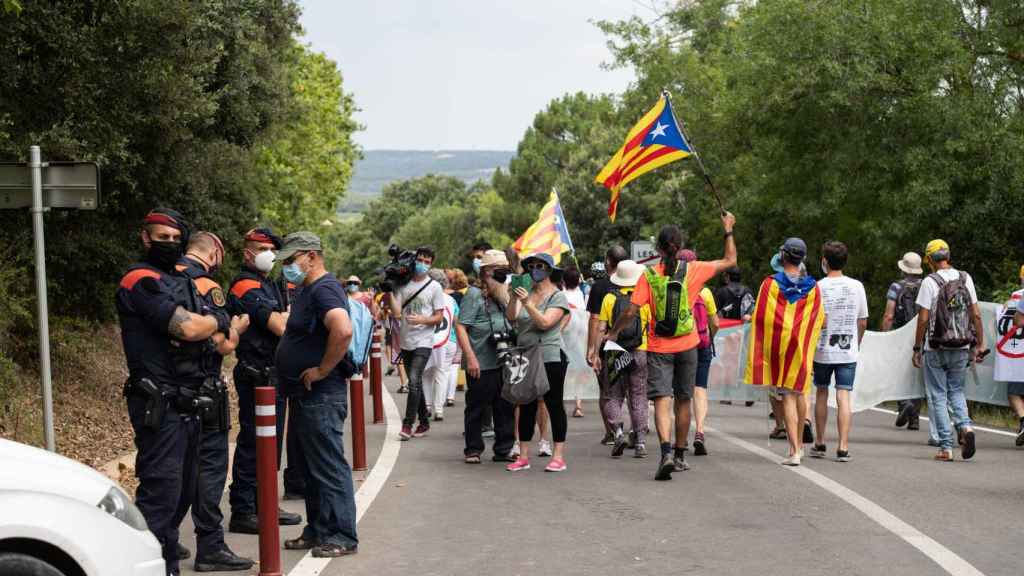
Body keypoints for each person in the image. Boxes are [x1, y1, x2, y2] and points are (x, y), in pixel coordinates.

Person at [117, 208, 241, 575]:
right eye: (161, 237)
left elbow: (219, 340)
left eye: (175, 239)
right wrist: (217, 320)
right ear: (145, 237)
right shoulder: (140, 281)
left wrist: (212, 325)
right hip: (159, 405)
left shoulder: (181, 281)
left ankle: (167, 565)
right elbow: (187, 328)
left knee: (183, 495)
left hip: (189, 404)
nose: (169, 244)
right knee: (161, 496)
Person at [608, 215, 737, 480]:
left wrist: (613, 331)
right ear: (680, 245)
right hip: (688, 345)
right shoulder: (695, 270)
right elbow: (730, 260)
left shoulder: (649, 277)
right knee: (684, 400)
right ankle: (679, 455)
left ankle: (665, 452)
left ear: (658, 250)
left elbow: (631, 311)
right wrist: (727, 231)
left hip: (659, 347)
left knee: (662, 401)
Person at [274, 232, 358, 557]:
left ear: (311, 255)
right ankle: (319, 529)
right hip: (306, 393)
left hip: (322, 392)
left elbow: (343, 329)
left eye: (292, 260)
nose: (287, 267)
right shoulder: (310, 289)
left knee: (327, 464)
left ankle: (341, 535)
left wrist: (322, 369)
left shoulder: (323, 289)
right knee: (311, 467)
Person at [176, 232, 254, 572]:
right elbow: (223, 344)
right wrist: (236, 328)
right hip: (204, 389)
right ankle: (210, 546)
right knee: (209, 469)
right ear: (216, 252)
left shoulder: (165, 279)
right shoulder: (207, 286)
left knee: (172, 469)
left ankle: (162, 538)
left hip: (170, 390)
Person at [227, 228, 303, 532]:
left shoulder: (267, 283)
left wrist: (285, 318)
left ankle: (265, 504)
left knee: (270, 444)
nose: (269, 254)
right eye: (262, 248)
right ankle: (244, 510)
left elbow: (286, 318)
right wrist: (284, 318)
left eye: (272, 248)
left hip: (272, 373)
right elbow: (280, 325)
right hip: (256, 373)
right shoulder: (246, 285)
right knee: (252, 444)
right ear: (248, 252)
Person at [745, 238, 825, 466]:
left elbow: (761, 317)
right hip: (801, 346)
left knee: (787, 395)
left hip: (781, 348)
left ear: (783, 256)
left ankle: (794, 450)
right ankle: (799, 443)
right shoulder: (813, 287)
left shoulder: (770, 284)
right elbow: (818, 319)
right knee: (801, 393)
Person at [912, 239, 986, 461]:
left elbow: (923, 318)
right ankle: (966, 428)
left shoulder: (929, 282)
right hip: (961, 345)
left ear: (929, 260)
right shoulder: (965, 278)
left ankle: (946, 446)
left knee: (938, 395)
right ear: (948, 256)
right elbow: (976, 314)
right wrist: (980, 343)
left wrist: (917, 347)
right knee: (956, 391)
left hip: (936, 346)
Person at [505, 253, 572, 472]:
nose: (535, 269)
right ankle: (523, 456)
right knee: (526, 404)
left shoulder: (557, 296)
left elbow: (545, 323)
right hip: (525, 355)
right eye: (531, 266)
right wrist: (515, 298)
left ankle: (558, 456)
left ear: (549, 270)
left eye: (540, 265)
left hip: (550, 355)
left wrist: (527, 303)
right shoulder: (527, 292)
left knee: (553, 403)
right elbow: (513, 317)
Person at [455, 249, 517, 463]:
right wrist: (470, 357)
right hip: (480, 360)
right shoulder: (474, 294)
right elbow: (461, 327)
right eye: (497, 269)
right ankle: (473, 449)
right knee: (477, 407)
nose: (501, 273)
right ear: (486, 271)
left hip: (504, 359)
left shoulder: (505, 292)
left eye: (504, 269)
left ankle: (504, 449)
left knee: (505, 405)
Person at [809, 241, 868, 463]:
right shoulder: (857, 286)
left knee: (822, 392)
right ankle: (843, 446)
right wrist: (857, 343)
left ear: (824, 261)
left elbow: (814, 319)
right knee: (844, 395)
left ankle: (820, 442)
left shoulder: (818, 287)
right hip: (847, 350)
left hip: (822, 350)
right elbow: (862, 321)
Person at [386, 246, 447, 440]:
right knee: (416, 383)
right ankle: (424, 422)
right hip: (406, 340)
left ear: (431, 264)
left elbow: (438, 317)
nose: (423, 264)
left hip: (424, 341)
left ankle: (407, 424)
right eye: (420, 260)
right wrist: (390, 291)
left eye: (427, 262)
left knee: (413, 380)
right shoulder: (403, 284)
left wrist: (422, 320)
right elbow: (396, 312)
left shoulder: (435, 287)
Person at [596, 259, 650, 458]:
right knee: (638, 395)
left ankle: (618, 433)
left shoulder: (609, 298)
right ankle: (641, 443)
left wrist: (595, 352)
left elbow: (601, 327)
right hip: (640, 350)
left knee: (613, 395)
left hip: (615, 350)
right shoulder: (643, 298)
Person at [678, 249, 720, 457]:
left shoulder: (674, 288)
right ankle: (700, 431)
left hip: (683, 344)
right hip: (703, 344)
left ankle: (681, 437)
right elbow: (716, 322)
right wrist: (710, 335)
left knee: (682, 392)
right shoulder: (705, 292)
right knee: (700, 388)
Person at [586, 246, 629, 443]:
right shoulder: (638, 284)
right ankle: (638, 434)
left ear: (608, 262)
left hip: (608, 346)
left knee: (607, 389)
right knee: (635, 390)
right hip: (635, 344)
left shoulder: (600, 287)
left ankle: (612, 431)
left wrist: (592, 349)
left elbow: (595, 320)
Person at [882, 252, 925, 430]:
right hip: (922, 335)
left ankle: (903, 404)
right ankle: (914, 416)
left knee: (899, 372)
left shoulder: (896, 287)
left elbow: (889, 314)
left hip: (900, 334)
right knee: (918, 374)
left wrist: (885, 335)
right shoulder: (926, 285)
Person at [422, 268, 460, 421]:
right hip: (448, 340)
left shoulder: (425, 297)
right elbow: (457, 322)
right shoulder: (451, 300)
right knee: (442, 373)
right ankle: (439, 410)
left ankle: (427, 406)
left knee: (426, 374)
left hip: (428, 340)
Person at [998, 268, 1024, 446]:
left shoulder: (1018, 296)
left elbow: (1018, 321)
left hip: (1020, 354)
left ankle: (1023, 420)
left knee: (1014, 391)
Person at [561, 266, 590, 419]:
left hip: (565, 336)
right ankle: (578, 405)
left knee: (564, 371)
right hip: (581, 336)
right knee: (578, 371)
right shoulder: (584, 295)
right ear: (578, 280)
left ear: (563, 281)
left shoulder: (560, 296)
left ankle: (561, 402)